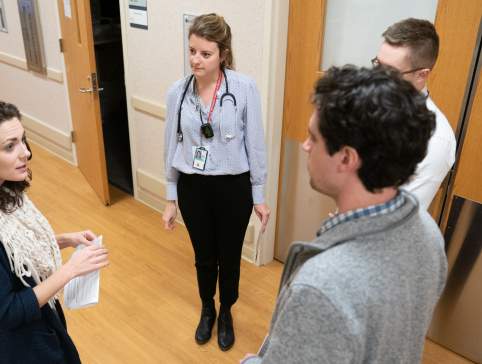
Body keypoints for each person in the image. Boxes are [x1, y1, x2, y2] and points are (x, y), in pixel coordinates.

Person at [239, 65, 447, 363]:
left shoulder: (322, 287)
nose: (306, 146)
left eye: (314, 138)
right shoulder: (428, 232)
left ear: (347, 157)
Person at [0, 100, 110, 364]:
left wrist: (63, 240)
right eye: (10, 146)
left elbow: (8, 254)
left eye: (23, 140)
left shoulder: (2, 189)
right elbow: (5, 313)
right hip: (19, 349)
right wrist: (70, 270)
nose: (26, 153)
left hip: (42, 325)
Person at [162, 13, 270, 351]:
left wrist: (259, 194)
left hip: (232, 187)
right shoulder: (177, 92)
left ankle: (226, 311)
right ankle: (207, 308)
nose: (196, 59)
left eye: (205, 53)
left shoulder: (243, 87)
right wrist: (170, 197)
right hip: (191, 188)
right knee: (203, 255)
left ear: (223, 53)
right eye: (192, 51)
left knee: (230, 254)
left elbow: (255, 143)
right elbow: (170, 144)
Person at [374, 18, 456, 210]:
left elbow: (402, 218)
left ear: (421, 74)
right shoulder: (373, 103)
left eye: (390, 71)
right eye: (378, 63)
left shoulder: (435, 139)